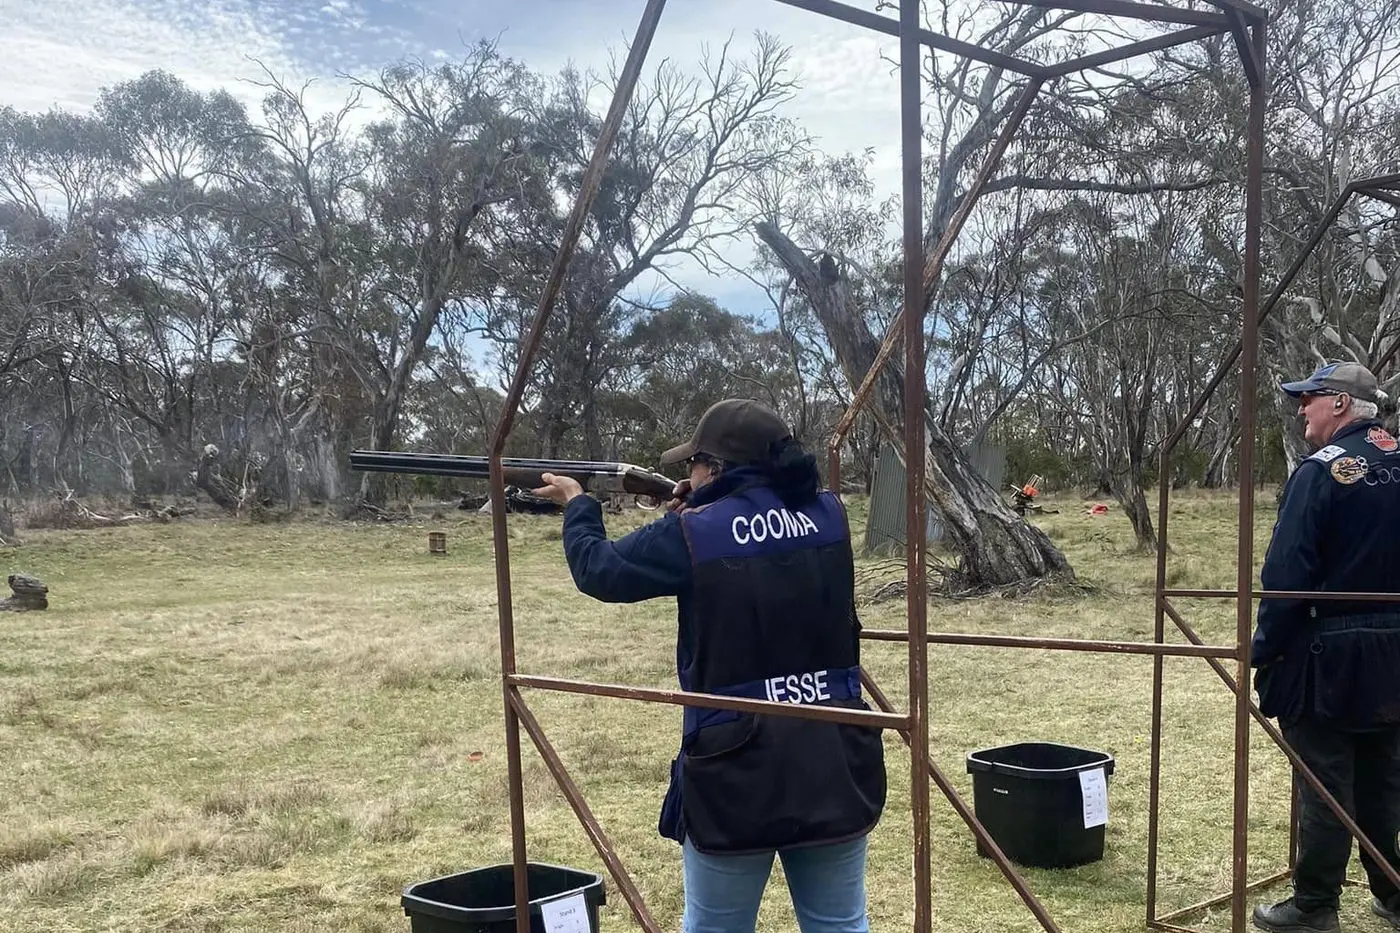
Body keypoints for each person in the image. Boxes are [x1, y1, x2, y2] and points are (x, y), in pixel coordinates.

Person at [531, 398, 887, 933]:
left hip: (734, 768)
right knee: (839, 925)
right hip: (834, 755)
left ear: (715, 469)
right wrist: (697, 507)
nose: (686, 474)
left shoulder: (695, 531)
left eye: (693, 465)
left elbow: (599, 570)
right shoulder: (830, 513)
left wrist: (579, 503)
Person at [1250, 361, 1400, 933]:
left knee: (1326, 782)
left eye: (1309, 398)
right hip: (1393, 648)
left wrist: (1265, 648)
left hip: (1328, 653)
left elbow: (1288, 573)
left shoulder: (1319, 472)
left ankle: (1314, 905)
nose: (1300, 409)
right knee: (1383, 776)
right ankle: (1392, 890)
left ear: (1339, 404)